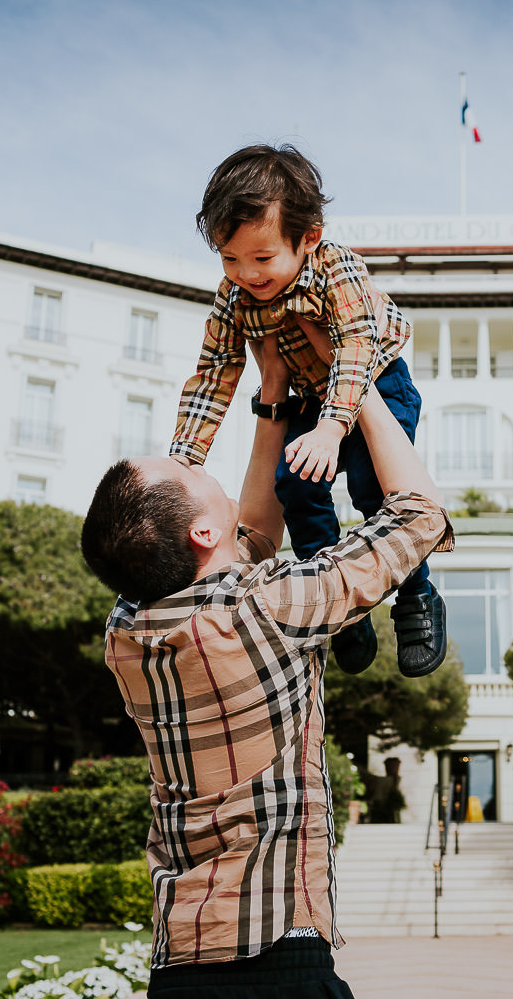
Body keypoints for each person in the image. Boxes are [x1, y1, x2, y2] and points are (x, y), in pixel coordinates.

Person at [80, 335, 452, 997]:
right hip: (278, 958)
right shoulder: (267, 606)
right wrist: (352, 383)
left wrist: (273, 393)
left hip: (182, 962)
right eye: (188, 471)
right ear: (198, 531)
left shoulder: (127, 632)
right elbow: (419, 516)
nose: (196, 464)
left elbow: (245, 536)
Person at [169, 142, 445, 679]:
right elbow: (214, 373)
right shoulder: (234, 297)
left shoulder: (337, 269)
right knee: (293, 485)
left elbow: (356, 346)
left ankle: (417, 594)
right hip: (308, 397)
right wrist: (185, 460)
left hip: (377, 384)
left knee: (372, 488)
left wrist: (332, 426)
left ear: (309, 237)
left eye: (262, 257)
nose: (247, 274)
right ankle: (343, 607)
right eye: (230, 258)